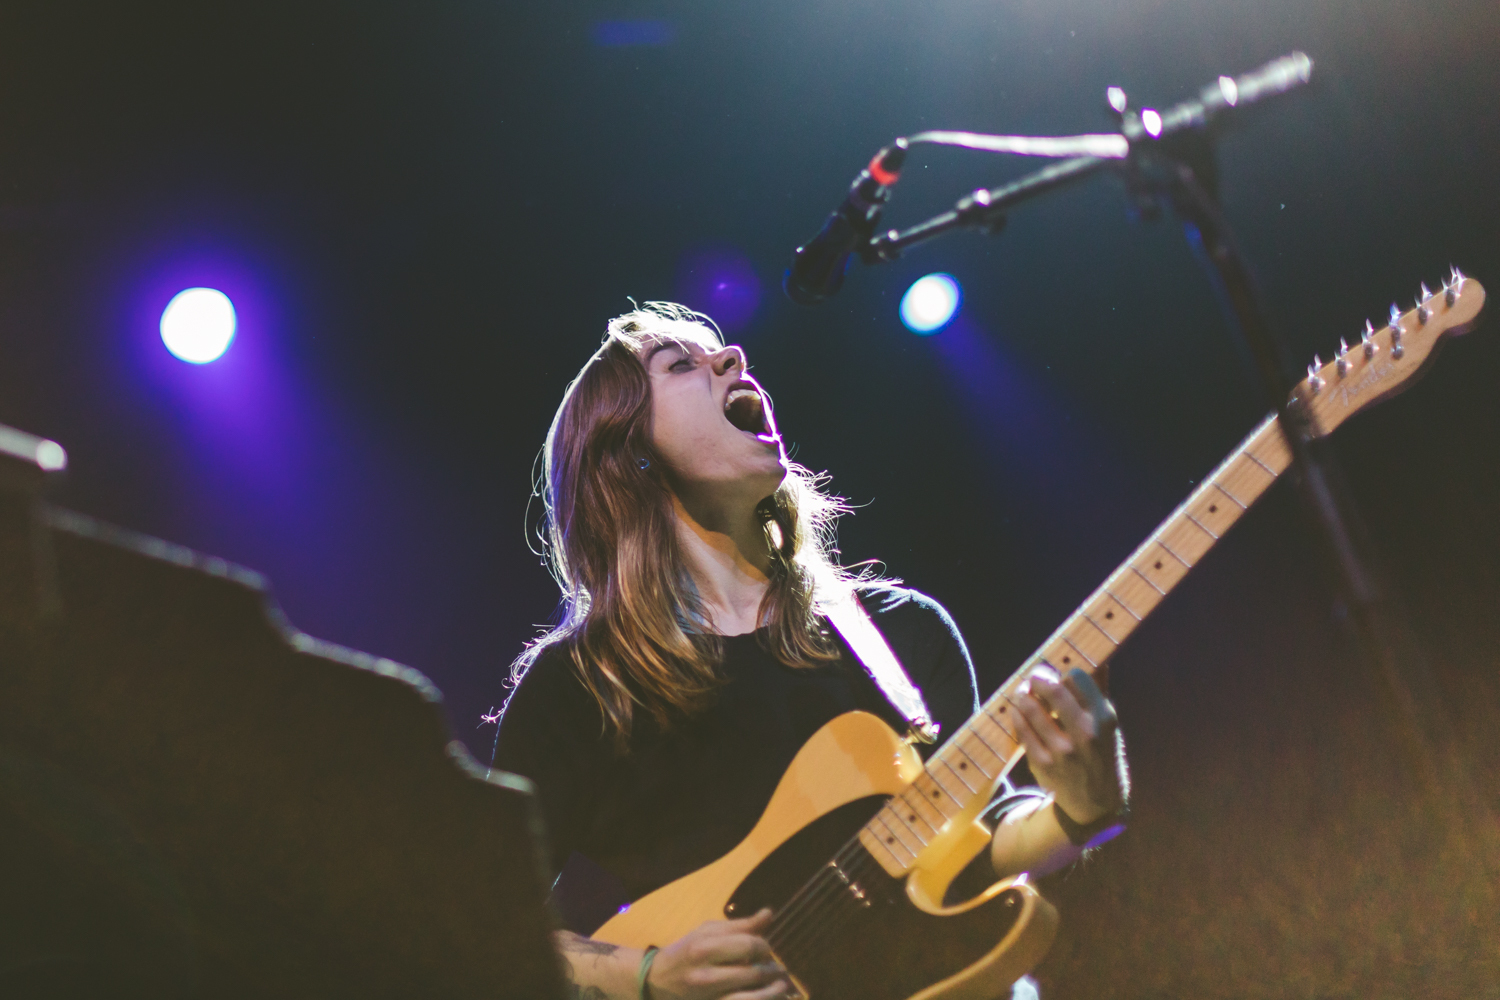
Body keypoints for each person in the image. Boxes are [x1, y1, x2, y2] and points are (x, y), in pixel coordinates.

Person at [492, 303, 1128, 1000]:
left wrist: (1082, 805)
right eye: (680, 365)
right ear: (626, 453)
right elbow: (483, 924)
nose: (733, 359)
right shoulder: (583, 685)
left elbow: (974, 846)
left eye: (725, 353)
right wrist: (645, 974)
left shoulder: (897, 632)